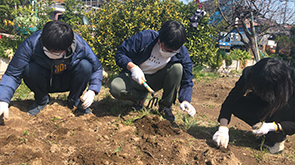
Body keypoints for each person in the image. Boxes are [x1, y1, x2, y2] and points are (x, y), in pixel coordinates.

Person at [0, 20, 103, 118]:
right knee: (29, 68)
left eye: (55, 52)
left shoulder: (81, 46)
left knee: (86, 66)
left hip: (67, 81)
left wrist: (92, 90)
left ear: (68, 46)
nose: (49, 53)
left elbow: (96, 68)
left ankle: (75, 101)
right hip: (43, 81)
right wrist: (3, 100)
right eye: (46, 49)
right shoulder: (31, 44)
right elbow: (12, 74)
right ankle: (41, 100)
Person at [109, 20, 196, 122]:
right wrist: (132, 67)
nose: (170, 53)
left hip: (156, 79)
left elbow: (187, 80)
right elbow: (120, 54)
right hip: (135, 77)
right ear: (159, 40)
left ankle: (165, 107)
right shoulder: (145, 38)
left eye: (174, 51)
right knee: (116, 88)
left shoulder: (182, 53)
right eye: (166, 49)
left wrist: (185, 100)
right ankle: (140, 97)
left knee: (177, 68)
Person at [213, 58, 294, 154]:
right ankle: (264, 131)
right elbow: (231, 100)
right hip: (263, 106)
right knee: (237, 102)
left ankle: (276, 139)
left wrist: (274, 126)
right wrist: (223, 128)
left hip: (283, 111)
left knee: (287, 107)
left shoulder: (291, 79)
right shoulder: (251, 73)